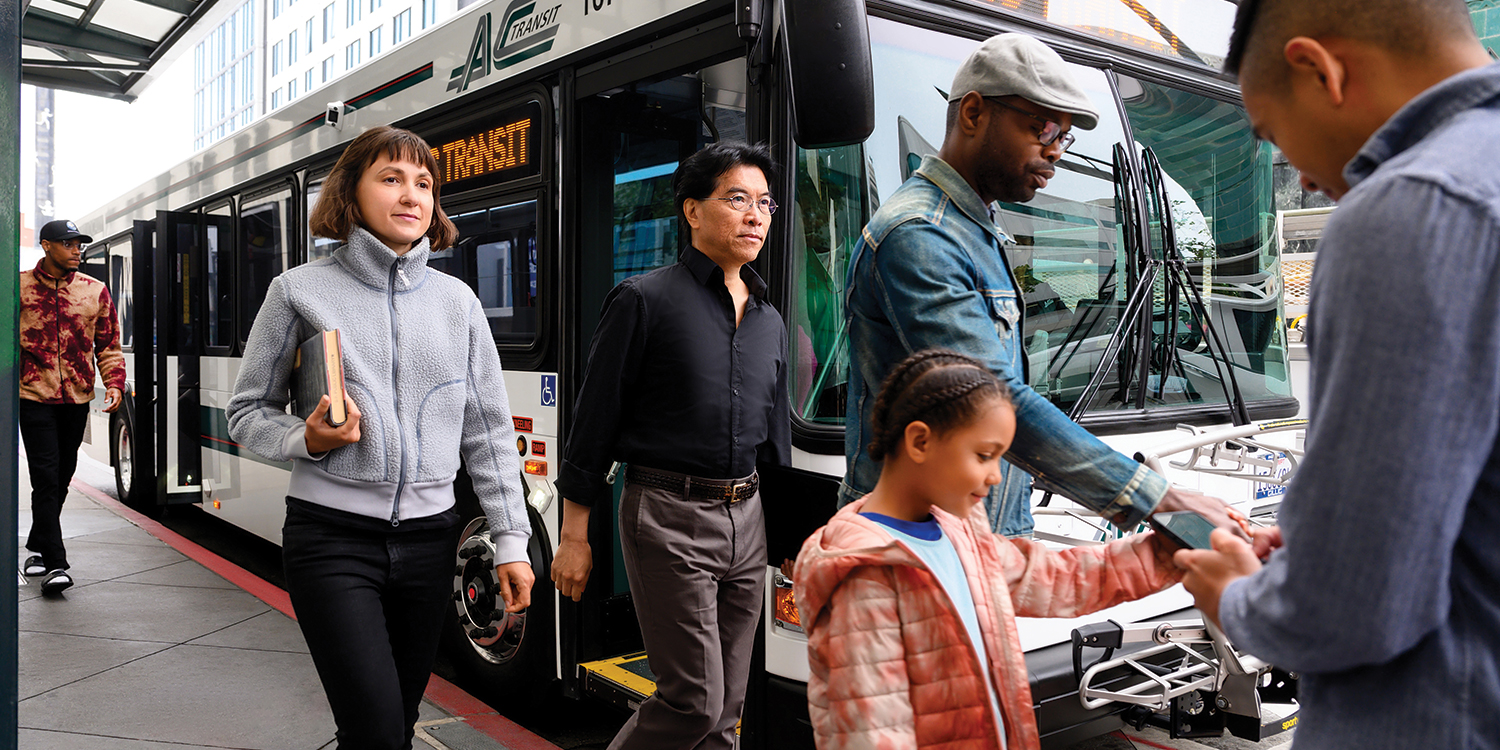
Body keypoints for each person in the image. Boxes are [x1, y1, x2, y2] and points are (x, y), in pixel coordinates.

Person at [1173, 1, 1500, 748]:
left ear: (1319, 69)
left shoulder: (1411, 209)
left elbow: (1357, 604)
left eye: (1271, 137)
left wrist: (1241, 600)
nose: (1307, 181)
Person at [842, 32, 1244, 538]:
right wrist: (1158, 499)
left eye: (1065, 138)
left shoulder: (978, 228)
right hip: (920, 547)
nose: (1055, 152)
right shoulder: (920, 236)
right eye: (1044, 129)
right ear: (972, 113)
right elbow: (993, 400)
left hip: (981, 532)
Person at [226, 125, 534, 750]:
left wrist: (511, 540)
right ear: (351, 193)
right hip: (331, 539)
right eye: (391, 179)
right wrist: (305, 440)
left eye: (424, 183)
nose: (411, 195)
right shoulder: (297, 291)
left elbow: (489, 434)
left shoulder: (459, 302)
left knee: (396, 721)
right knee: (375, 728)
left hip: (430, 543)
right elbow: (247, 412)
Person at [796, 349, 1180, 749]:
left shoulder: (958, 530)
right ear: (920, 441)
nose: (996, 476)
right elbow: (873, 734)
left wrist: (1170, 555)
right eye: (984, 455)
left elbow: (1057, 578)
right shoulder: (867, 572)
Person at [550, 141, 789, 750]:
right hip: (666, 513)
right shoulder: (643, 300)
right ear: (692, 211)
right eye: (737, 199)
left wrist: (788, 543)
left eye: (765, 203)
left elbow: (774, 443)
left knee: (728, 710)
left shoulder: (770, 319)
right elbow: (593, 424)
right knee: (694, 699)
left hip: (750, 516)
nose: (755, 216)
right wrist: (574, 537)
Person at [19, 218, 126, 596]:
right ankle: (55, 563)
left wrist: (114, 385)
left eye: (79, 243)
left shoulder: (95, 291)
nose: (77, 249)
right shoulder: (18, 287)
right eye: (68, 243)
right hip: (33, 396)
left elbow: (109, 345)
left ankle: (36, 544)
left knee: (62, 474)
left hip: (77, 398)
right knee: (45, 476)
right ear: (46, 246)